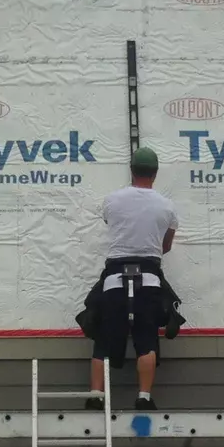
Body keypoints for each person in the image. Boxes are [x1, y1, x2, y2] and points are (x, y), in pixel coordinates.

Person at [88, 146, 177, 412]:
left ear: (131, 170)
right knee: (146, 337)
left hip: (114, 278)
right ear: (156, 173)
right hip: (149, 278)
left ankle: (95, 395)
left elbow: (111, 224)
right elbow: (166, 246)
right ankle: (144, 397)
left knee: (103, 336)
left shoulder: (113, 200)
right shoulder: (167, 206)